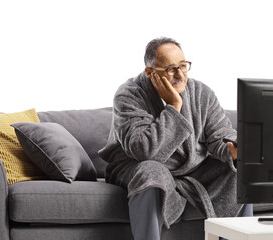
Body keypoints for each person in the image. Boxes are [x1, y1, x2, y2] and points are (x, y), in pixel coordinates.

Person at [98, 37, 253, 240]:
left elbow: (220, 134)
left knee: (239, 169)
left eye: (183, 66)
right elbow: (145, 151)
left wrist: (233, 149)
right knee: (152, 171)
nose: (180, 74)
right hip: (135, 166)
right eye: (171, 69)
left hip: (191, 168)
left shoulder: (201, 93)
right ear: (150, 72)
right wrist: (174, 106)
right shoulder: (129, 96)